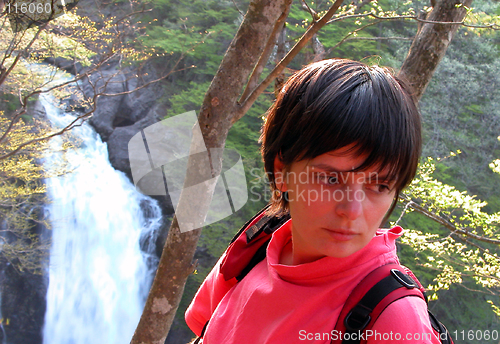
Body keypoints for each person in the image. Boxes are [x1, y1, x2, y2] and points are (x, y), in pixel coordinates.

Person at [185, 59, 442, 343]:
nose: (352, 211)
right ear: (282, 171)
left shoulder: (393, 320)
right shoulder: (257, 246)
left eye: (379, 185)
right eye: (331, 179)